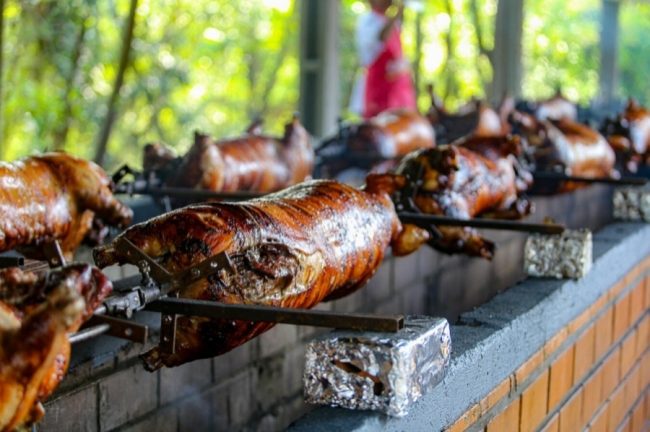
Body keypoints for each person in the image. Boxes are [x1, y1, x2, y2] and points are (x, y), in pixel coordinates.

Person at [349, 0, 417, 119]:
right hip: (379, 92)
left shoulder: (391, 23)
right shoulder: (368, 21)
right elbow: (381, 37)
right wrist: (397, 12)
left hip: (399, 93)